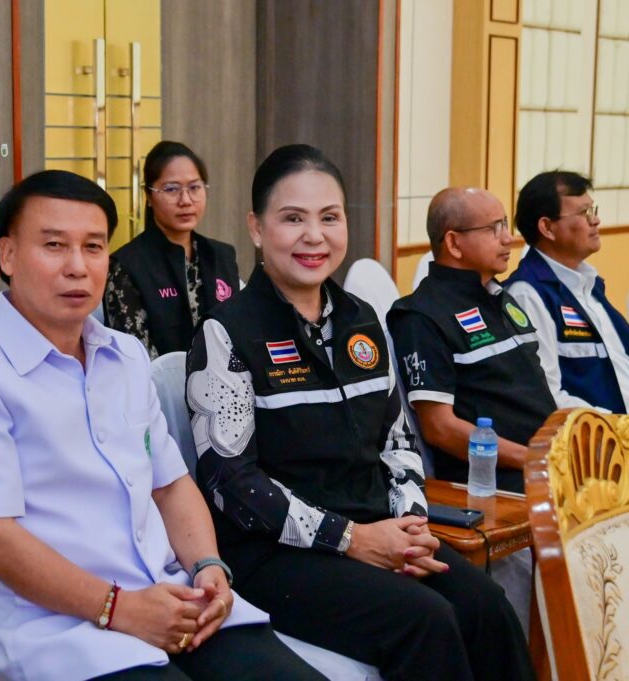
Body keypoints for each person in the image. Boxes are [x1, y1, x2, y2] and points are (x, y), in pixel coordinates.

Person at [0, 169, 324, 680]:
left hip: (168, 599)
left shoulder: (124, 355)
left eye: (94, 247)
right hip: (55, 628)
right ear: (7, 256)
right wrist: (120, 608)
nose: (77, 267)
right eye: (54, 246)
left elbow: (171, 485)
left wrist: (207, 566)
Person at [188, 145, 533, 681]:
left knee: (487, 607)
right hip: (274, 554)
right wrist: (350, 538)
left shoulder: (362, 320)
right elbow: (231, 481)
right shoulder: (225, 332)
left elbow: (397, 441)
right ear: (256, 227)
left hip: (378, 527)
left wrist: (410, 524)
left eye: (330, 217)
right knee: (426, 621)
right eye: (293, 219)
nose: (314, 236)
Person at [388, 187, 555, 492]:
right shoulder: (421, 316)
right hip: (497, 483)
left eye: (505, 224)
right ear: (453, 242)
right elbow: (440, 428)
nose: (508, 238)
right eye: (494, 228)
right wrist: (533, 458)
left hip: (549, 464)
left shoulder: (499, 296)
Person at [505, 170, 629, 412]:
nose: (595, 220)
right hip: (596, 432)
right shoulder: (527, 294)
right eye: (584, 213)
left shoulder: (589, 285)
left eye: (593, 210)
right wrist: (615, 425)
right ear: (547, 227)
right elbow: (548, 395)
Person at [105, 141, 239, 358]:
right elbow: (135, 355)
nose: (185, 200)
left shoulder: (222, 255)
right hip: (160, 379)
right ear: (149, 196)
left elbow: (239, 332)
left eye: (194, 187)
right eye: (171, 189)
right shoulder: (127, 265)